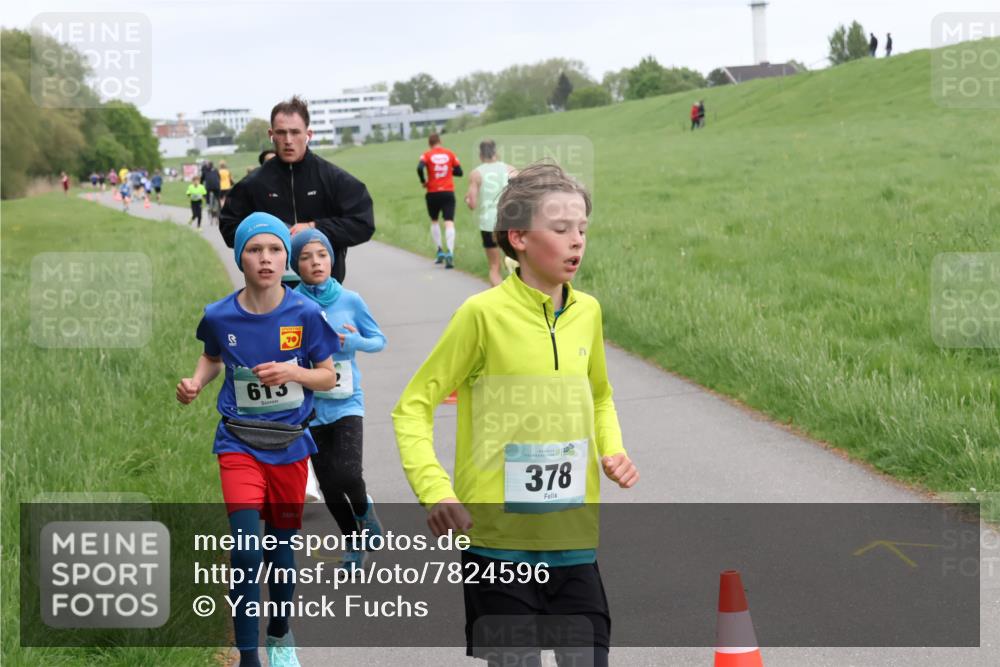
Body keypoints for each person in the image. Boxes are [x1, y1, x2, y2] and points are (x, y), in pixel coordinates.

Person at [393, 162, 639, 667]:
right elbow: (412, 408)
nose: (577, 242)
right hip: (498, 547)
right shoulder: (481, 315)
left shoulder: (588, 311)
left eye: (583, 230)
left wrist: (612, 448)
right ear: (519, 238)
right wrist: (435, 489)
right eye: (561, 228)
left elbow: (599, 394)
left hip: (574, 543)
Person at [176, 212, 339, 667]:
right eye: (254, 250)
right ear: (241, 257)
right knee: (247, 551)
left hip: (289, 445)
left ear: (284, 258)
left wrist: (293, 372)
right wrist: (195, 382)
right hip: (238, 443)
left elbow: (327, 376)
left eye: (273, 251)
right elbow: (212, 357)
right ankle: (248, 657)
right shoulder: (218, 314)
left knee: (281, 551)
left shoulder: (306, 313)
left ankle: (280, 630)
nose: (265, 259)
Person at [289, 229, 387, 571]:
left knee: (347, 473)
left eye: (321, 255)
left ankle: (365, 511)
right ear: (295, 264)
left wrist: (355, 341)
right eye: (305, 257)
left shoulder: (351, 300)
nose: (315, 262)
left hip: (347, 401)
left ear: (332, 259)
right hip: (311, 406)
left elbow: (379, 341)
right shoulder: (293, 303)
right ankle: (352, 542)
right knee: (329, 485)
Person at [221, 96, 375, 286]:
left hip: (324, 291)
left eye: (295, 132)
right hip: (271, 293)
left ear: (308, 134)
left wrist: (314, 228)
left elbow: (363, 223)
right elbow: (229, 227)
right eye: (281, 133)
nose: (288, 140)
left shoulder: (333, 178)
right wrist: (269, 235)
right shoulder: (253, 184)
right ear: (271, 134)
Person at [464, 139, 516, 286]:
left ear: (481, 155)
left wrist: (467, 200)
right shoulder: (511, 170)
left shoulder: (476, 174)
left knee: (494, 267)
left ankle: (500, 299)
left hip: (488, 223)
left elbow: (472, 204)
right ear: (496, 153)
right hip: (509, 220)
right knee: (516, 259)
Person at [418, 132, 463, 269]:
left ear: (429, 143)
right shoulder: (450, 154)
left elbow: (419, 168)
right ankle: (450, 252)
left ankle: (439, 251)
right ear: (440, 141)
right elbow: (460, 172)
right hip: (448, 192)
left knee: (434, 220)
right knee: (449, 222)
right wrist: (449, 172)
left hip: (432, 192)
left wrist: (423, 181)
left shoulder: (426, 155)